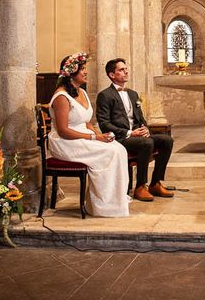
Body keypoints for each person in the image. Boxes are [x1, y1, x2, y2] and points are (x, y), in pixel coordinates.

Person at [47, 52, 130, 217]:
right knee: (110, 152)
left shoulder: (82, 92)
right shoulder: (61, 97)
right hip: (65, 142)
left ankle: (114, 200)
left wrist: (101, 134)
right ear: (71, 72)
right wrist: (95, 138)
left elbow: (85, 121)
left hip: (82, 135)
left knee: (118, 148)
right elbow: (63, 130)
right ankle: (102, 205)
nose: (86, 72)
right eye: (82, 69)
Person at [96, 58, 174, 202]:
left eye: (126, 69)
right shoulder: (105, 95)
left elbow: (140, 117)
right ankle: (140, 186)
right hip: (120, 138)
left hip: (136, 135)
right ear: (112, 75)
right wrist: (130, 133)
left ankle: (155, 183)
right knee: (147, 144)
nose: (126, 71)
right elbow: (104, 124)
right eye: (121, 69)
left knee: (166, 140)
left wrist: (144, 129)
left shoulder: (132, 94)